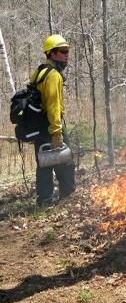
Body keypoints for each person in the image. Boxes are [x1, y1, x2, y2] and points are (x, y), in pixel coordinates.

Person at [30, 34, 76, 206]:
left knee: (44, 164)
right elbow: (53, 105)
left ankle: (45, 202)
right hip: (50, 125)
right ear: (51, 53)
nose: (66, 55)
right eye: (63, 51)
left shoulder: (39, 71)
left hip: (39, 126)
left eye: (67, 51)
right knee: (66, 162)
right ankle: (68, 199)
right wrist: (57, 132)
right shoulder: (53, 75)